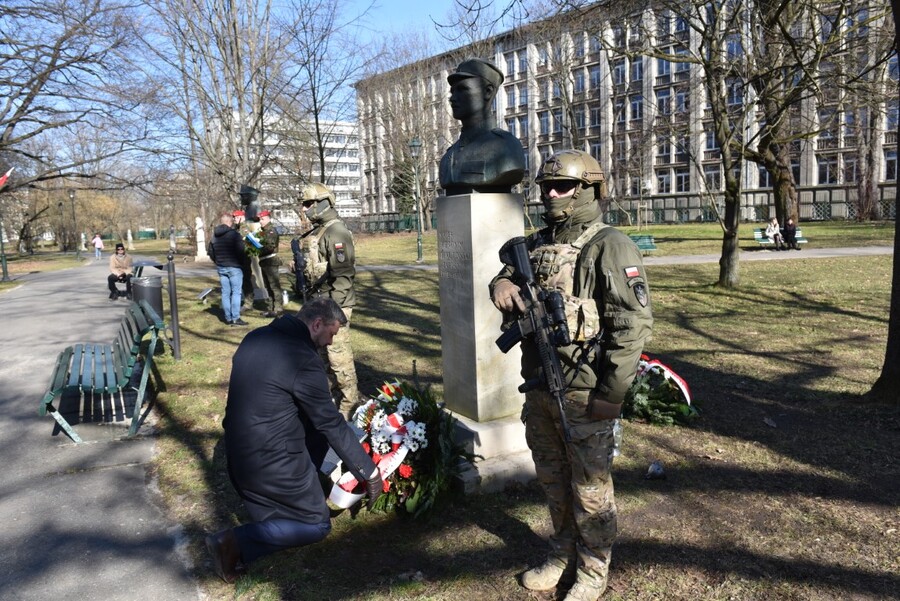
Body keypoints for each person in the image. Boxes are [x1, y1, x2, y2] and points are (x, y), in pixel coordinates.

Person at [490, 150, 653, 601]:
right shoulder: (535, 243)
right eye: (546, 186)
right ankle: (561, 553)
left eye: (563, 186)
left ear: (589, 190)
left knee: (591, 489)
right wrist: (501, 286)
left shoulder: (610, 245)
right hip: (539, 387)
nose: (551, 194)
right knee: (553, 481)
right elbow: (503, 277)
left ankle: (593, 570)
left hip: (583, 392)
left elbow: (631, 326)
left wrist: (611, 395)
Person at [205, 297, 383, 583]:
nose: (330, 343)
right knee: (316, 525)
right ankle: (233, 542)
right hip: (270, 463)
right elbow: (329, 422)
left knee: (311, 445)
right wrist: (370, 472)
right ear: (316, 324)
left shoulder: (256, 336)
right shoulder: (301, 358)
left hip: (239, 457)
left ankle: (287, 506)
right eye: (331, 334)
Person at [294, 182, 361, 419]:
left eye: (309, 203)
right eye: (304, 204)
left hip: (335, 307)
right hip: (320, 306)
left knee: (338, 358)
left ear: (324, 203)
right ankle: (331, 402)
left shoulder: (336, 232)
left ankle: (351, 406)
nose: (305, 209)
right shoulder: (318, 232)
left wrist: (331, 313)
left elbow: (342, 278)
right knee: (322, 358)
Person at [438, 58, 526, 196]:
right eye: (453, 91)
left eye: (462, 89)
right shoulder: (447, 157)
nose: (453, 98)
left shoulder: (507, 148)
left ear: (488, 92)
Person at [208, 211, 248, 326]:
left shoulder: (214, 236)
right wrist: (240, 262)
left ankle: (228, 318)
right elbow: (242, 251)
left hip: (221, 267)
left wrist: (217, 261)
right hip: (234, 267)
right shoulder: (234, 234)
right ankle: (236, 318)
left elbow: (210, 251)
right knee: (236, 292)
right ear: (230, 222)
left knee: (225, 293)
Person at [257, 210, 285, 317]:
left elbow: (270, 247)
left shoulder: (271, 231)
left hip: (271, 261)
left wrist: (256, 248)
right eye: (260, 219)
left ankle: (278, 308)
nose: (261, 221)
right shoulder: (263, 231)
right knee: (268, 286)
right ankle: (271, 308)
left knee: (274, 286)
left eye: (262, 219)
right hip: (264, 261)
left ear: (268, 218)